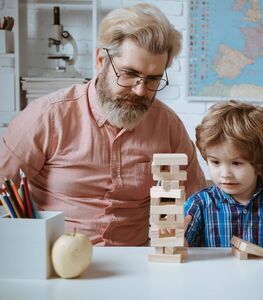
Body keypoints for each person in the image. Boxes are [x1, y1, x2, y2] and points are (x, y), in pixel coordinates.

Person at [0, 3, 205, 246]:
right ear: (101, 60)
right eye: (129, 73)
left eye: (153, 80)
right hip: (57, 263)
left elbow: (198, 202)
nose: (140, 91)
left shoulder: (168, 126)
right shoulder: (47, 117)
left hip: (137, 266)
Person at [184, 100, 263, 248]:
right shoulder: (199, 205)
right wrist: (179, 244)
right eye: (216, 162)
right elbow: (181, 252)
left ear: (261, 163)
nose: (225, 174)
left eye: (236, 163)